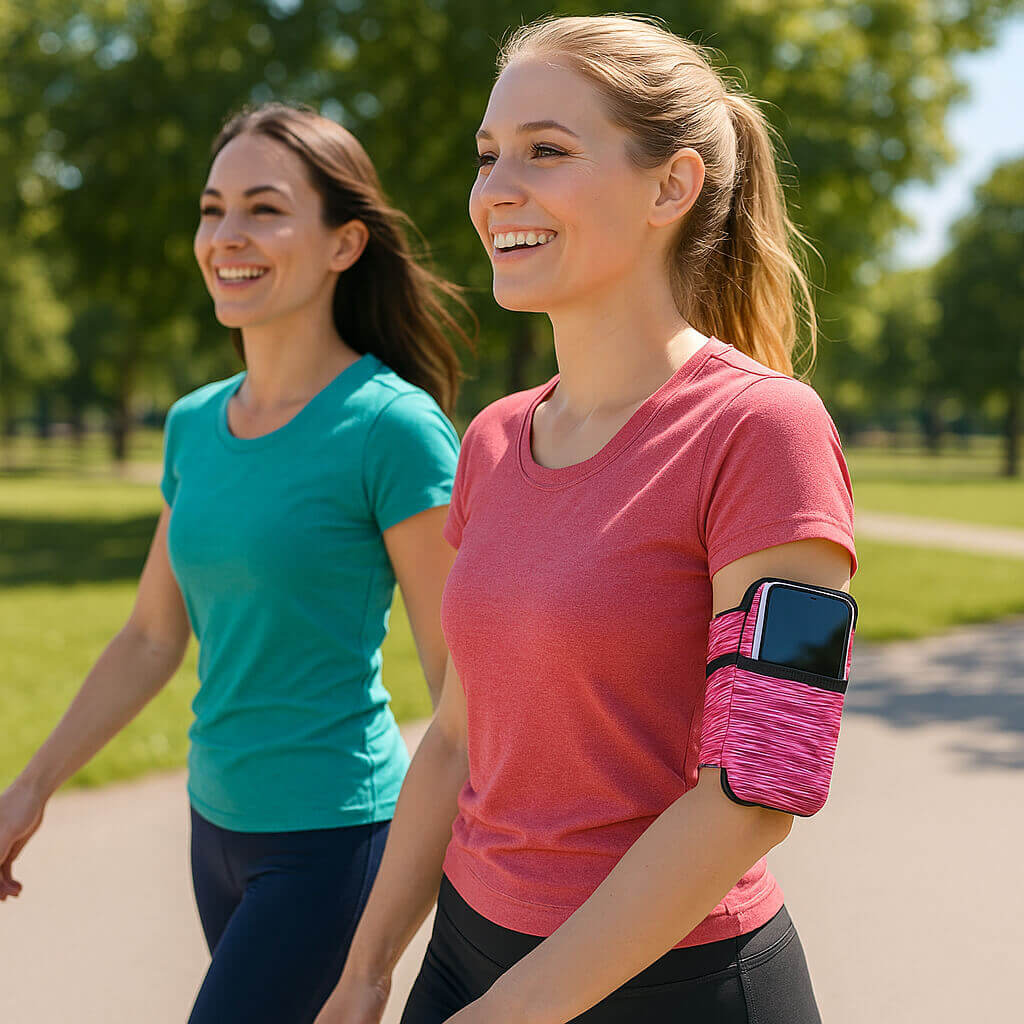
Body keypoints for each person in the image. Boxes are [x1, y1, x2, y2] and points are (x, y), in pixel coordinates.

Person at [319, 14, 859, 1024]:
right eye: (487, 156)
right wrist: (363, 973)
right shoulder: (489, 440)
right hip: (465, 960)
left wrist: (513, 1010)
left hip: (679, 990)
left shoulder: (767, 431)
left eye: (546, 151)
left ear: (671, 185)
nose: (495, 190)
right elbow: (455, 741)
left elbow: (761, 785)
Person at [0, 102, 474, 1024]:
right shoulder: (193, 424)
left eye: (264, 208)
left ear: (344, 244)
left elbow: (463, 685)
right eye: (213, 210)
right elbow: (149, 635)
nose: (227, 236)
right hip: (214, 826)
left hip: (334, 838)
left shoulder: (393, 428)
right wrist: (29, 789)